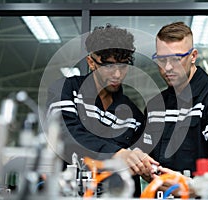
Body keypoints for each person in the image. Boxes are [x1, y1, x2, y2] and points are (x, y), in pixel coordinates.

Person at [46, 23, 158, 197]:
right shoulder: (66, 90)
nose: (117, 75)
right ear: (91, 62)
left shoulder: (133, 116)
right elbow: (65, 135)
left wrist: (140, 162)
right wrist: (116, 154)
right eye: (109, 66)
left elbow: (136, 158)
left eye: (123, 66)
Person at [143, 21, 208, 185]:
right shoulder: (155, 106)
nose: (168, 67)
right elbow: (146, 155)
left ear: (193, 56)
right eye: (162, 59)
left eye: (176, 58)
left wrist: (191, 187)